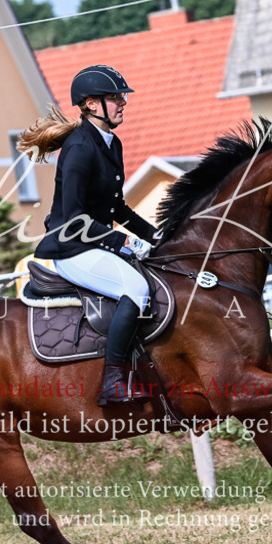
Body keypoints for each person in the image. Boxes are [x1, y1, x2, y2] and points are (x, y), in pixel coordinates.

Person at [17, 65, 158, 406]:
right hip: (70, 248)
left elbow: (117, 209)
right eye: (115, 97)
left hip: (93, 243)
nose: (123, 102)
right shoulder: (80, 147)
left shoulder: (111, 143)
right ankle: (112, 383)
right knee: (136, 289)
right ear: (91, 104)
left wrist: (156, 235)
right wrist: (123, 242)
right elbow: (75, 219)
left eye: (122, 97)